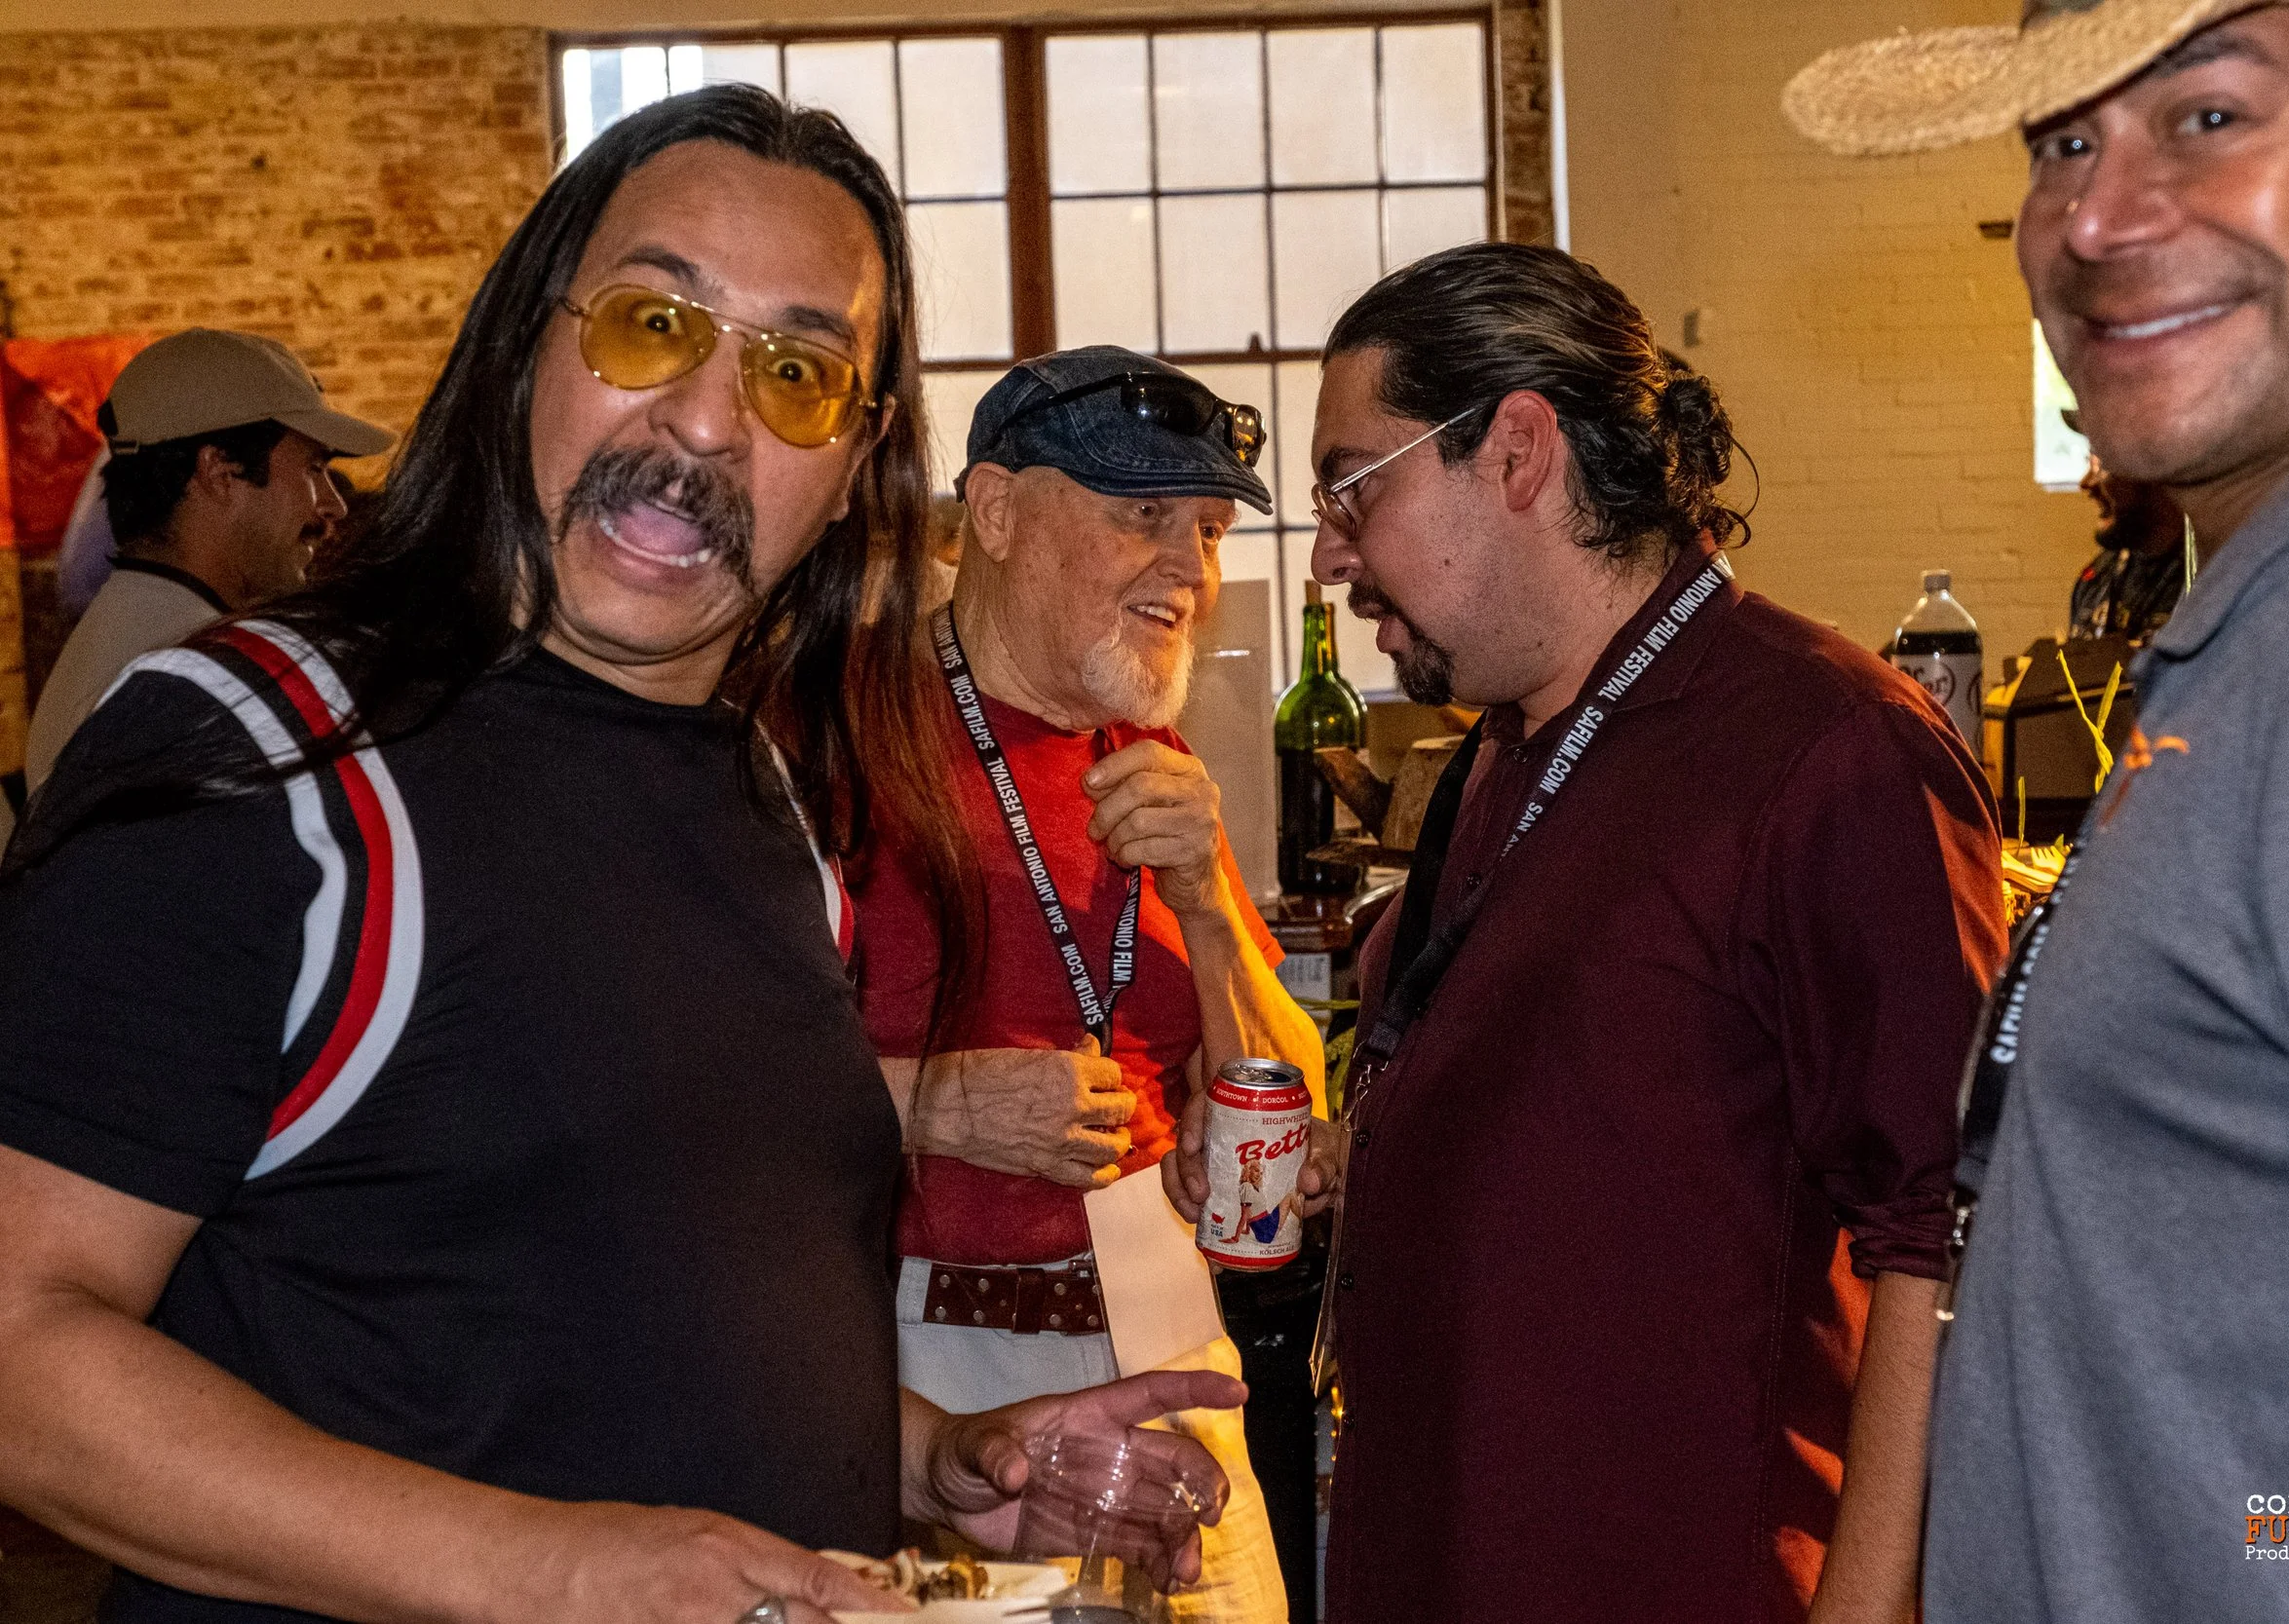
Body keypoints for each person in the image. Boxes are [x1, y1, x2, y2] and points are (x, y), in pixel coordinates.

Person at [0, 86, 1239, 1624]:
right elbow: (23, 1348)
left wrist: (945, 1458)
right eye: (654, 325)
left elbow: (628, 1314)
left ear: (855, 465)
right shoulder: (264, 755)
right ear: (526, 344)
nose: (708, 423)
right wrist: (562, 1566)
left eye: (798, 373)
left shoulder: (764, 795)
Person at [1787, 3, 2289, 1617]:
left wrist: (2260, 1544)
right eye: (2062, 141)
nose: (2093, 216)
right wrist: (2259, 1526)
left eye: (2209, 117)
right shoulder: (2287, 631)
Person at [1290, 242, 2006, 1624]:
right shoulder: (1497, 749)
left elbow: (1947, 1232)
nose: (1330, 554)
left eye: (1354, 486)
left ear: (1516, 449)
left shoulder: (1830, 748)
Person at [852, 347, 1329, 1624]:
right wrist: (930, 1102)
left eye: (1209, 529)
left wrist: (1209, 908)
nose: (1189, 565)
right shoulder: (833, 729)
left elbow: (1293, 1127)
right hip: (922, 1372)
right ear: (997, 511)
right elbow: (683, 1091)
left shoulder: (1154, 755)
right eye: (1143, 513)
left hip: (1172, 1345)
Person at [23, 329, 388, 794]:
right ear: (219, 471)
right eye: (313, 468)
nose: (334, 506)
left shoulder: (133, 639)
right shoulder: (190, 677)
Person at [2066, 442, 2185, 643]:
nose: (2086, 483)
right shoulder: (2095, 580)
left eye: (2101, 466)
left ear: (2153, 473)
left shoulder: (2212, 580)